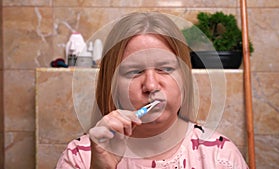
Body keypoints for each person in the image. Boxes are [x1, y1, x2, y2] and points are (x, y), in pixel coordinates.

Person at [56, 11, 249, 169]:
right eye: (134, 71)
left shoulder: (221, 157)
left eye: (165, 69)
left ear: (184, 79)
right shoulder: (80, 158)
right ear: (112, 84)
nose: (151, 86)